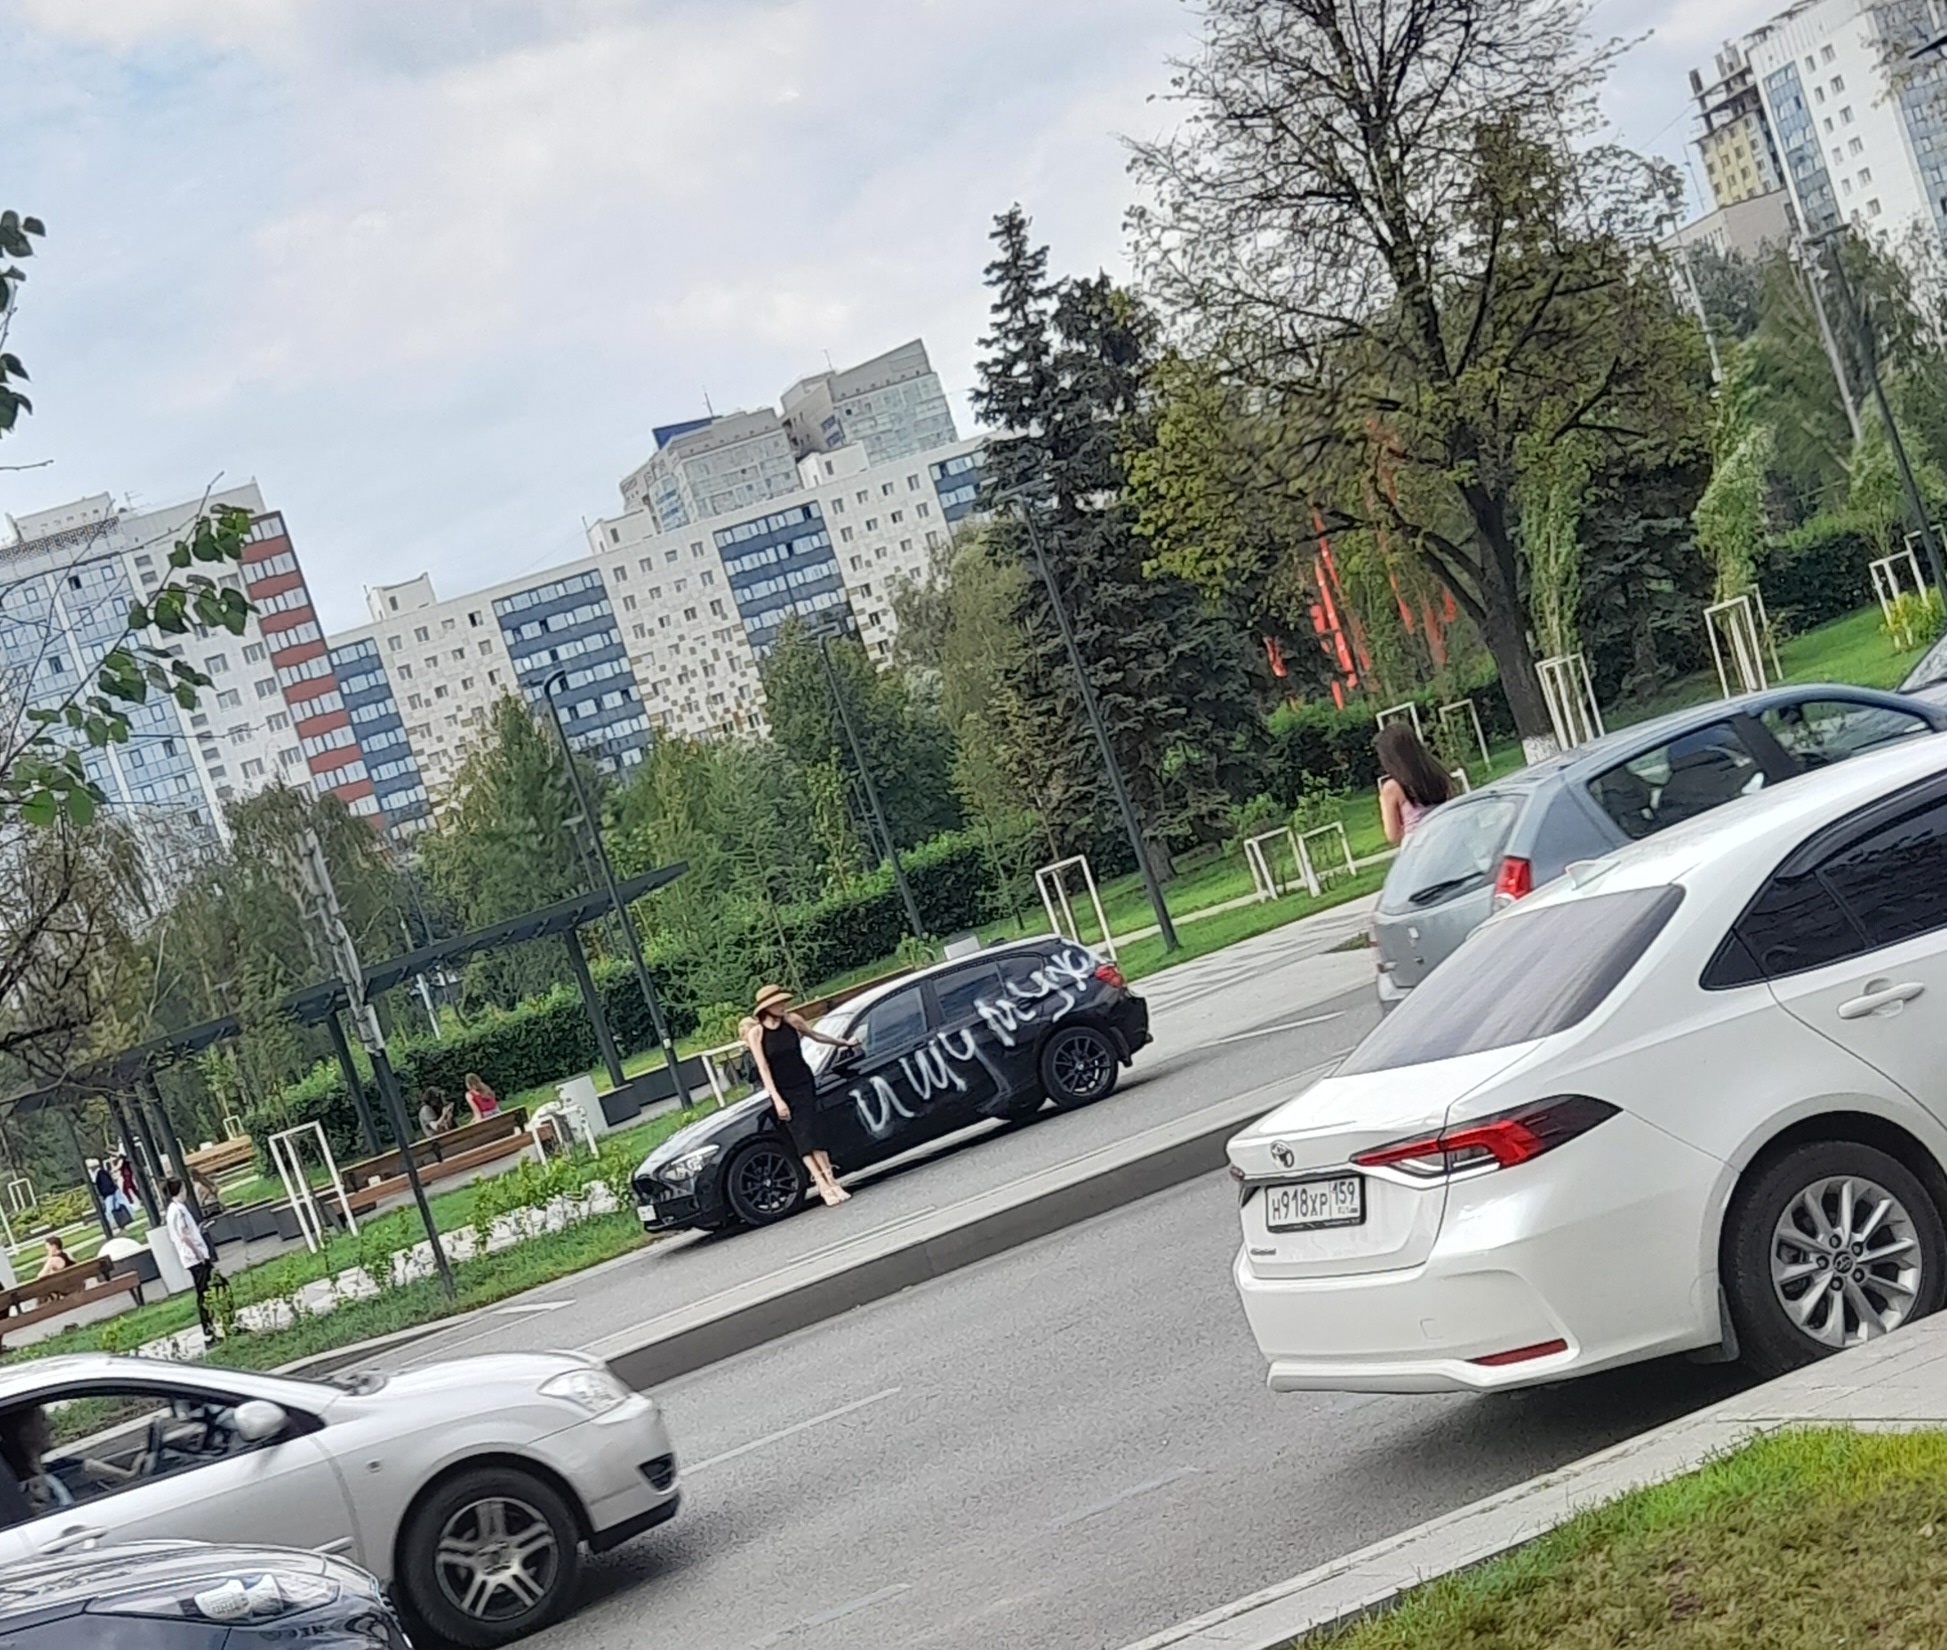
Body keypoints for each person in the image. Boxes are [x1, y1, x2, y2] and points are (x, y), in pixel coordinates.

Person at [741, 983, 860, 1209]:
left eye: (783, 1002)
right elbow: (763, 1067)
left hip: (803, 1083)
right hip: (783, 1089)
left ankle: (832, 1181)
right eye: (777, 1003)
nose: (783, 1006)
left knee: (814, 1131)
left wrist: (843, 1043)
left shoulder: (792, 1021)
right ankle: (822, 1185)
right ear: (767, 1008)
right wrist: (776, 1098)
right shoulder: (757, 1033)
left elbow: (816, 1035)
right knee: (801, 1138)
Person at [1376, 722, 1454, 846]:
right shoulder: (1436, 772)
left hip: (1419, 847)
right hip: (1448, 836)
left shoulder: (1392, 787)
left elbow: (1393, 835)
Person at [163, 1176, 218, 1342]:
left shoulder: (173, 1209)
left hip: (190, 1255)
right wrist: (199, 1254)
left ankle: (211, 1327)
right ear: (181, 1190)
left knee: (205, 1291)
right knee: (204, 1293)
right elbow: (184, 1236)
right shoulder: (179, 1210)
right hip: (195, 1257)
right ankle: (208, 1331)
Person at [91, 1158, 134, 1231]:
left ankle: (113, 1223)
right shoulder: (101, 1172)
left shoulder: (100, 1173)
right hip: (112, 1192)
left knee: (110, 1210)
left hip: (109, 1193)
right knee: (117, 1206)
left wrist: (106, 1193)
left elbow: (106, 1184)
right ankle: (122, 1221)